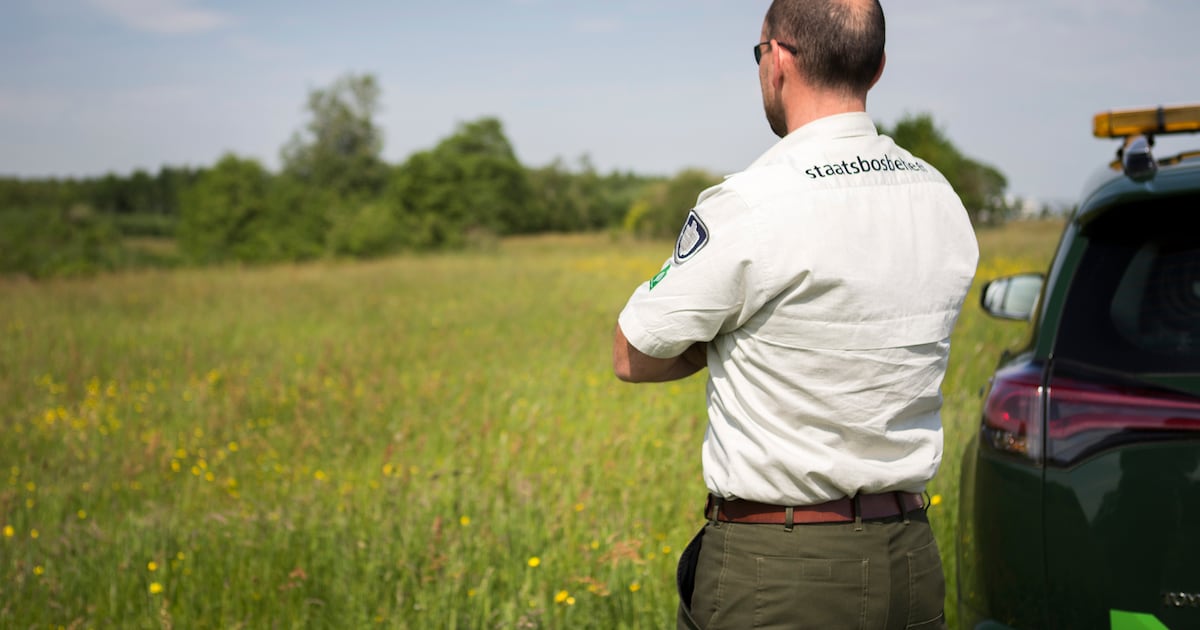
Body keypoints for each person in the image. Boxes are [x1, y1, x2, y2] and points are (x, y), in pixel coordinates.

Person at [611, 1, 979, 628]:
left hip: (778, 568)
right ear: (878, 67)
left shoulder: (751, 201)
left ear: (777, 59)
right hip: (911, 559)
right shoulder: (938, 196)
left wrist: (727, 339)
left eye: (759, 56)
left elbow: (632, 353)